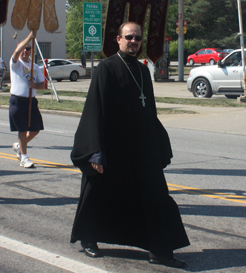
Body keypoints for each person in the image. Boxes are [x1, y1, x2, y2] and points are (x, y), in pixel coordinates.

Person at [70, 22, 189, 268]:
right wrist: (95, 150)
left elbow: (149, 110)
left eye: (137, 38)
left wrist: (157, 145)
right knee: (98, 192)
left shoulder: (144, 71)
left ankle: (160, 249)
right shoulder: (106, 68)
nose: (133, 41)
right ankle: (88, 237)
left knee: (155, 196)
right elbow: (95, 109)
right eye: (129, 37)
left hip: (141, 148)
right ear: (118, 39)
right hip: (112, 147)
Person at [9, 31, 46, 168]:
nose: (25, 51)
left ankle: (19, 146)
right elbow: (17, 50)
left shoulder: (35, 67)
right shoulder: (15, 64)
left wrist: (34, 85)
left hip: (31, 101)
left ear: (31, 51)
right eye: (24, 48)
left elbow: (42, 85)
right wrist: (29, 38)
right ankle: (24, 157)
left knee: (35, 129)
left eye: (28, 49)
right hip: (18, 101)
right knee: (22, 130)